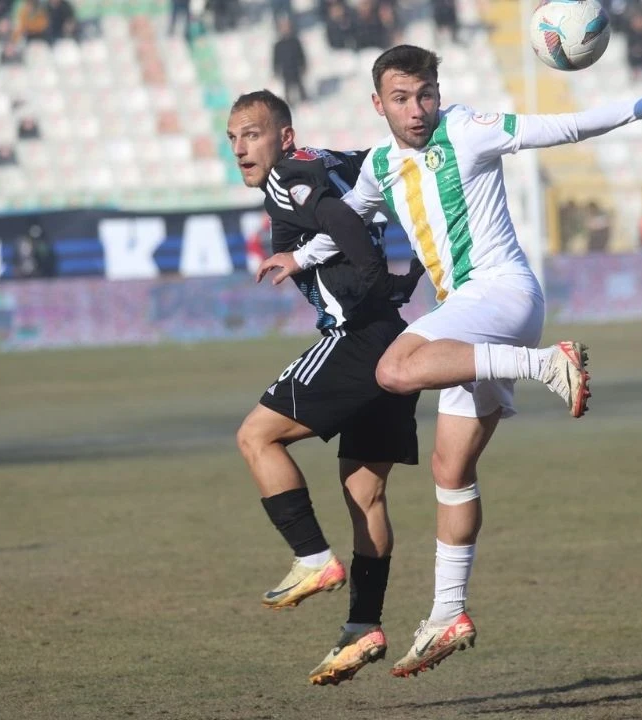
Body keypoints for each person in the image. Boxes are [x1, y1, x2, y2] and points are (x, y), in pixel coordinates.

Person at [257, 45, 642, 677]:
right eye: (401, 98)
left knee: (393, 369)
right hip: (470, 322)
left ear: (438, 93)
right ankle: (449, 613)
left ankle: (545, 364)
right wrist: (297, 259)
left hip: (499, 294)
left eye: (425, 95)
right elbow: (354, 215)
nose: (417, 110)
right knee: (451, 469)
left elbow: (562, 126)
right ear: (378, 105)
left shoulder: (467, 130)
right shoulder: (384, 165)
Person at [227, 90, 427, 685]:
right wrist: (406, 274)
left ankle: (314, 560)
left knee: (256, 438)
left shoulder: (286, 177)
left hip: (357, 341)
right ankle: (362, 627)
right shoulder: (332, 158)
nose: (241, 148)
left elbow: (340, 221)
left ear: (284, 137)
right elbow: (385, 181)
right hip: (394, 337)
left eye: (252, 134)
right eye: (234, 137)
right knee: (365, 496)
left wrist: (371, 275)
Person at [271, 17, 307, 105]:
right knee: (288, 89)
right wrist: (276, 70)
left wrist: (303, 65)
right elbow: (275, 60)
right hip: (286, 70)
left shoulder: (295, 41)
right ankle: (289, 104)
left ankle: (304, 101)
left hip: (296, 69)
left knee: (300, 86)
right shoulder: (278, 45)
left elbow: (301, 55)